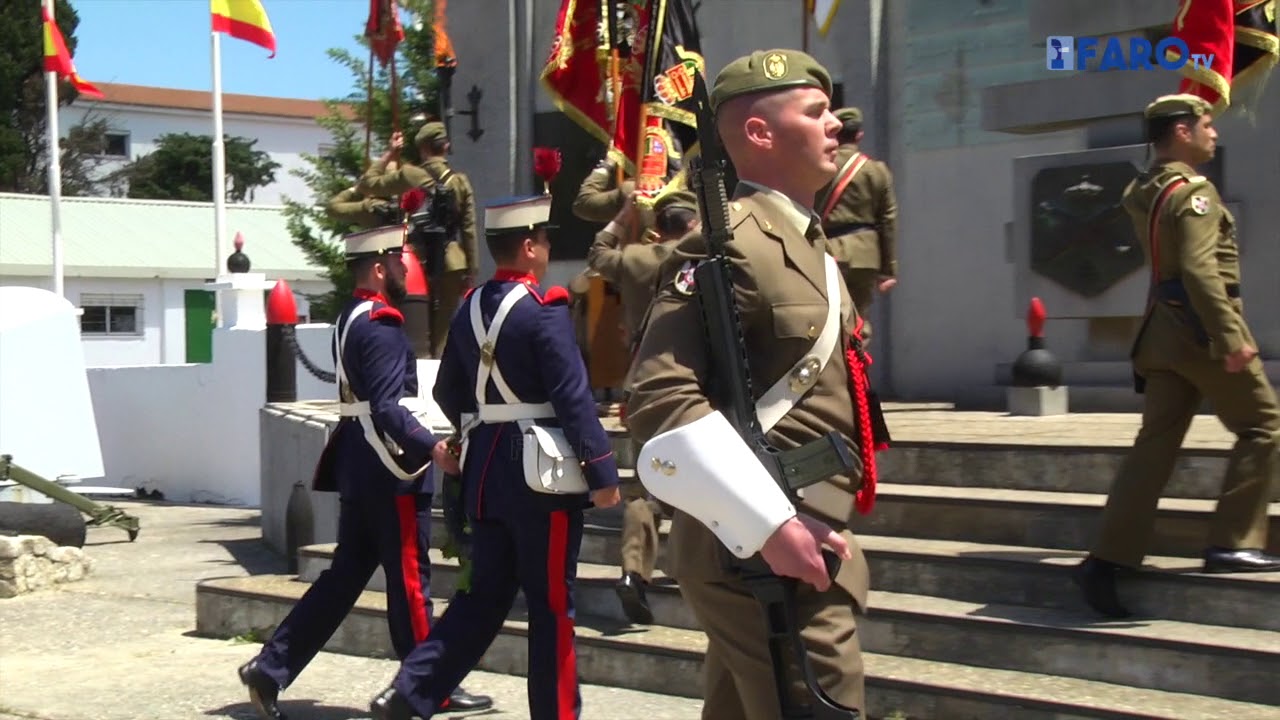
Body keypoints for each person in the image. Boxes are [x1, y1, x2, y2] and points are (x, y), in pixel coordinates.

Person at [626, 49, 880, 718]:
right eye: (816, 112)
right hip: (762, 544)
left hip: (800, 528)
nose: (836, 126)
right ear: (760, 134)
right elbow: (660, 400)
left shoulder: (809, 243)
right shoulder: (727, 241)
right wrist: (768, 524)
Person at [369, 194, 622, 720]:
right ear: (529, 247)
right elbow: (572, 396)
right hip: (539, 475)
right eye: (546, 240)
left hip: (486, 468)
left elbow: (450, 392)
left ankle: (411, 691)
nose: (548, 249)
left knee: (484, 596)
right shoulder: (545, 309)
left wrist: (476, 427)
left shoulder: (469, 308)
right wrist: (600, 469)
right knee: (552, 605)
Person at [236, 225, 492, 719]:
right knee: (410, 580)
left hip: (361, 462)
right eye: (399, 260)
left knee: (346, 577)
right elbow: (385, 407)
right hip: (389, 467)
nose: (405, 268)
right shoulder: (379, 323)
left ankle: (270, 668)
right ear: (379, 267)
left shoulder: (352, 315)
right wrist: (433, 448)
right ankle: (428, 685)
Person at [1073, 93, 1280, 618]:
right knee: (1263, 426)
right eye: (1207, 124)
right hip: (1202, 333)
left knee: (1154, 448)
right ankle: (1235, 540)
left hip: (1162, 336)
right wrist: (1231, 339)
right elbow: (1197, 269)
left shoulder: (1143, 189)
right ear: (1182, 132)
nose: (1216, 133)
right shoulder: (1195, 192)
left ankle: (1109, 559)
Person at [587, 188, 700, 624]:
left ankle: (635, 572)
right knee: (706, 481)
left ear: (660, 225)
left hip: (642, 385)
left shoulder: (636, 259)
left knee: (648, 486)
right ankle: (698, 572)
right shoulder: (704, 258)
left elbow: (597, 253)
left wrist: (624, 213)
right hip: (695, 384)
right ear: (691, 224)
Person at [358, 122, 479, 358]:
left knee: (413, 331)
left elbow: (366, 184)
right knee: (443, 335)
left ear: (422, 149)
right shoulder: (460, 181)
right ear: (446, 146)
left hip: (414, 264)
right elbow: (469, 228)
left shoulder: (409, 175)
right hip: (452, 263)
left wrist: (390, 153)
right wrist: (471, 271)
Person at [816, 106, 898, 344]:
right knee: (858, 323)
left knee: (828, 321)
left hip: (827, 252)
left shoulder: (822, 168)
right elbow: (888, 219)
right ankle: (857, 377)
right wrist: (888, 269)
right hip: (866, 255)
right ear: (859, 135)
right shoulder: (876, 171)